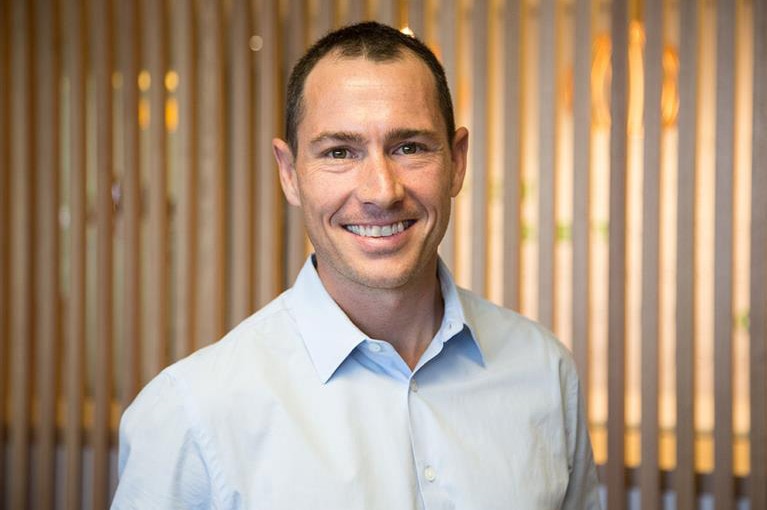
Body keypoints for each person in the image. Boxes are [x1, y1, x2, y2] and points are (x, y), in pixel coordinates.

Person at [112, 21, 601, 509]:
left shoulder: (545, 373)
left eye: (409, 147)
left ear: (456, 161)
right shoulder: (192, 415)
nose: (381, 191)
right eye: (339, 152)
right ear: (290, 174)